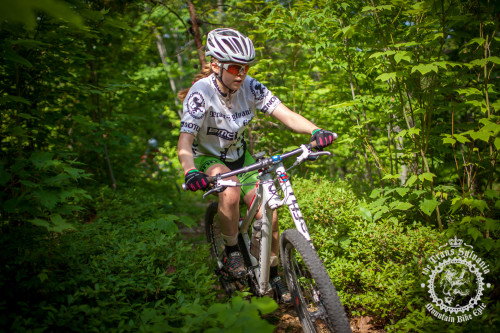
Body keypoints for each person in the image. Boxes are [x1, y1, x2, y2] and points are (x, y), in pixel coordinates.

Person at [177, 28, 335, 302]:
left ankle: (273, 273)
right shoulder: (200, 93)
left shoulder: (251, 86)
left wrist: (316, 131)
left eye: (245, 67)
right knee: (229, 186)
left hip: (240, 156)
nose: (241, 73)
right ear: (216, 65)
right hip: (207, 156)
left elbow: (285, 114)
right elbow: (184, 141)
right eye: (235, 67)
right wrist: (190, 171)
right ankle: (231, 252)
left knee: (270, 215)